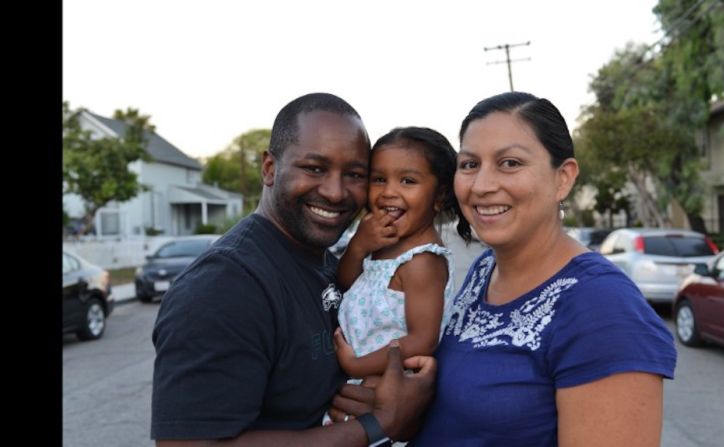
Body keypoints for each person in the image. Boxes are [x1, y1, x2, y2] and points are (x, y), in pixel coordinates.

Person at [150, 93, 436, 446]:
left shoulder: (330, 264)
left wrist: (387, 404)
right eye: (314, 168)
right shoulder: (223, 286)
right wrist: (380, 424)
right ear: (270, 169)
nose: (335, 192)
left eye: (355, 174)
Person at [408, 91, 678, 446]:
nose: (482, 186)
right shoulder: (484, 271)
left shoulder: (603, 309)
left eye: (510, 163)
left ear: (563, 178)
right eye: (470, 164)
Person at [327, 127, 469, 415]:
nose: (389, 192)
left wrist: (355, 364)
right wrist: (358, 247)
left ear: (439, 195)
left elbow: (422, 340)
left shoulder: (422, 262)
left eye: (408, 181)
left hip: (386, 394)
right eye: (379, 179)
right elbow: (344, 283)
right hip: (356, 385)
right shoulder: (380, 245)